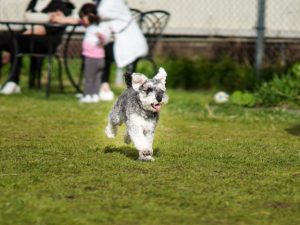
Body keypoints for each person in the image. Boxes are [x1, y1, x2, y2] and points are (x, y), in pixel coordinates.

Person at [50, 0, 148, 101]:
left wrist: (64, 19)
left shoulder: (109, 3)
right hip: (121, 43)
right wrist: (64, 17)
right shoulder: (101, 4)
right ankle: (97, 90)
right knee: (96, 53)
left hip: (130, 45)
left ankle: (99, 90)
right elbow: (88, 15)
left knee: (95, 55)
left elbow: (90, 17)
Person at [0, 0, 74, 95]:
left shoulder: (60, 5)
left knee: (15, 42)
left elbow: (46, 29)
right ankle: (11, 81)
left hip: (47, 42)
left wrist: (16, 39)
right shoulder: (34, 3)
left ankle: (13, 81)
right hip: (26, 38)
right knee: (6, 40)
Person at [77, 3, 111, 103]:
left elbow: (102, 38)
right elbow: (104, 38)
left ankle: (87, 95)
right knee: (97, 78)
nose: (82, 20)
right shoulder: (100, 27)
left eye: (83, 17)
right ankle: (95, 95)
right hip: (100, 57)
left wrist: (100, 37)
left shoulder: (92, 29)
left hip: (91, 57)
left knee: (89, 77)